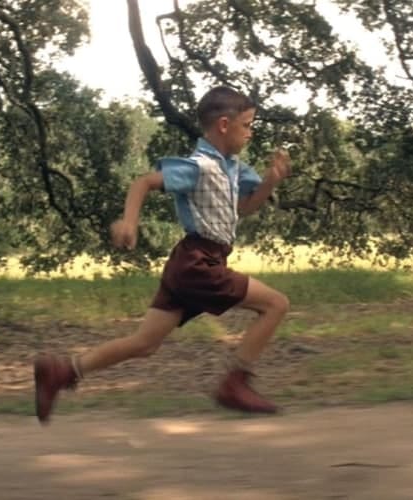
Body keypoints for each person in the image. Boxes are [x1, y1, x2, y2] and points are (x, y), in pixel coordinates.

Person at [34, 86, 291, 424]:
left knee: (145, 343)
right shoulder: (198, 167)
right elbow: (143, 182)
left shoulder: (232, 168)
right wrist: (129, 222)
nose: (250, 132)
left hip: (189, 264)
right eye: (246, 125)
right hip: (199, 263)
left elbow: (244, 208)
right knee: (276, 304)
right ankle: (235, 383)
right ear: (224, 125)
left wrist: (270, 182)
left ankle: (62, 371)